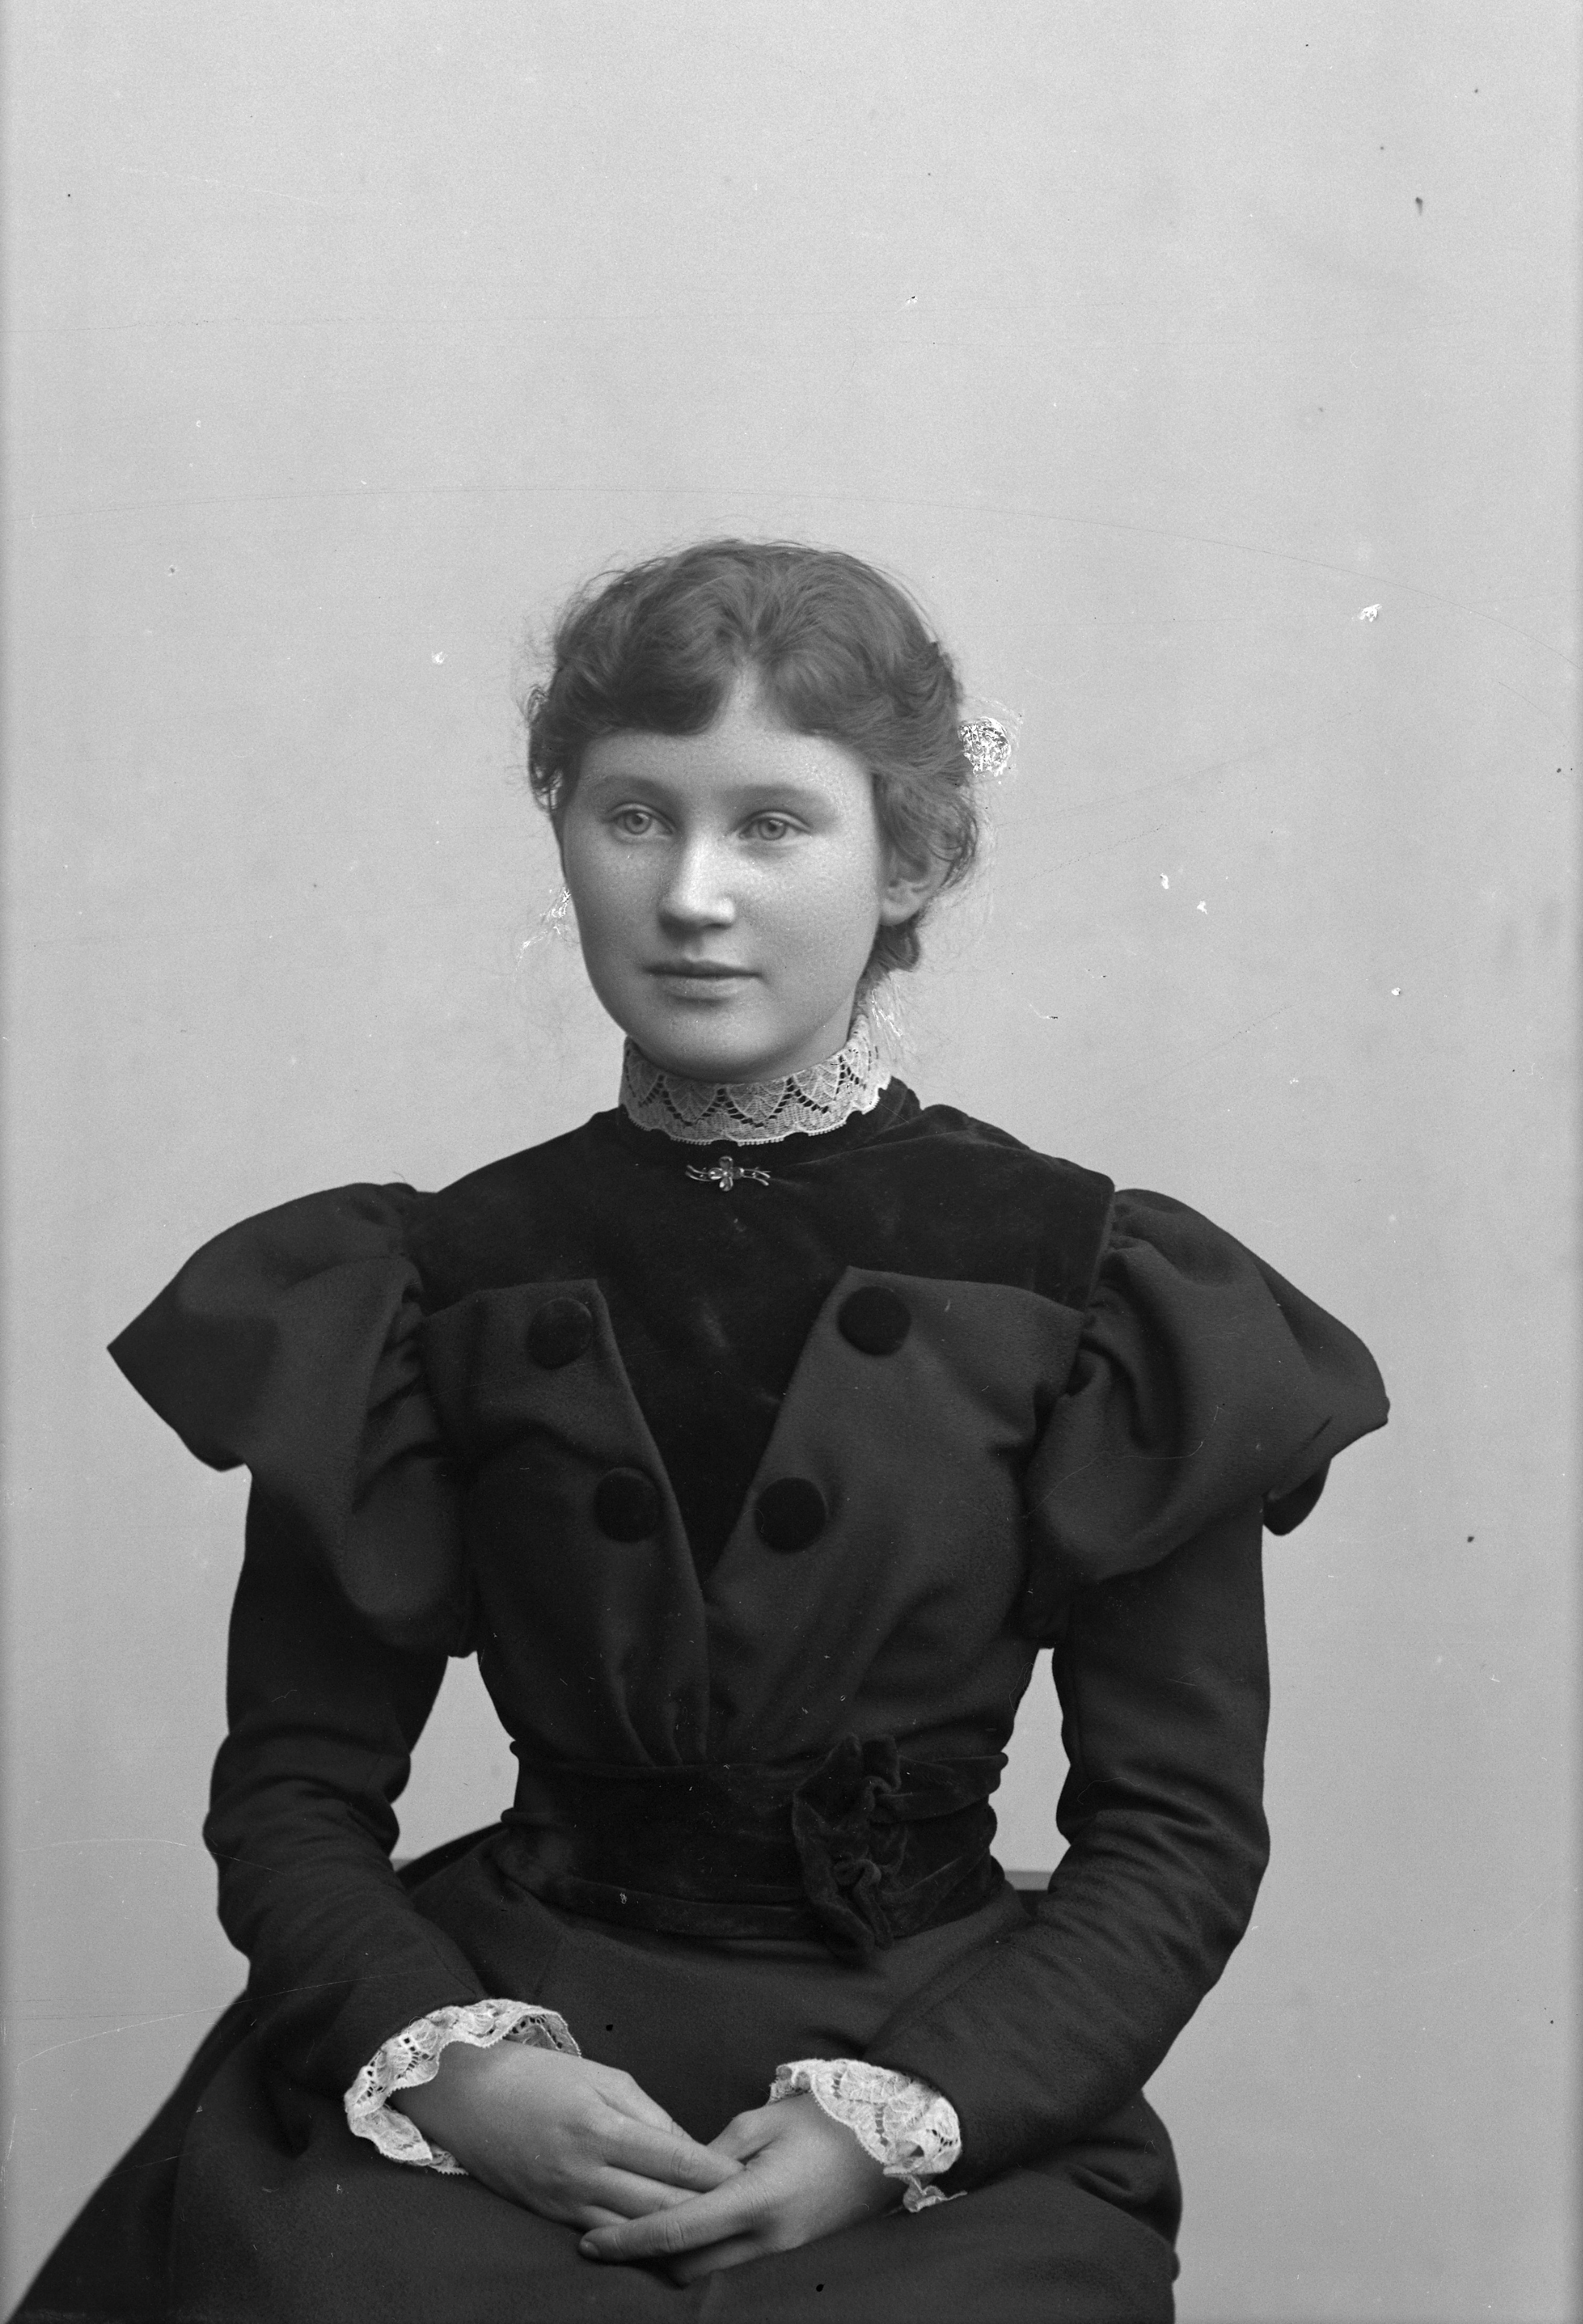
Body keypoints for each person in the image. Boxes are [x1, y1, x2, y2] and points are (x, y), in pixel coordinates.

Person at [15, 540, 1387, 2324]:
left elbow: (1179, 1835)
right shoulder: (430, 1280)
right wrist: (455, 2066)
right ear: (564, 829)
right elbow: (290, 1795)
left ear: (912, 857)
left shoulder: (1093, 1284)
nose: (691, 895)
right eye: (636, 816)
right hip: (515, 2050)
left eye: (773, 825)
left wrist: (899, 2124)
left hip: (927, 2071)